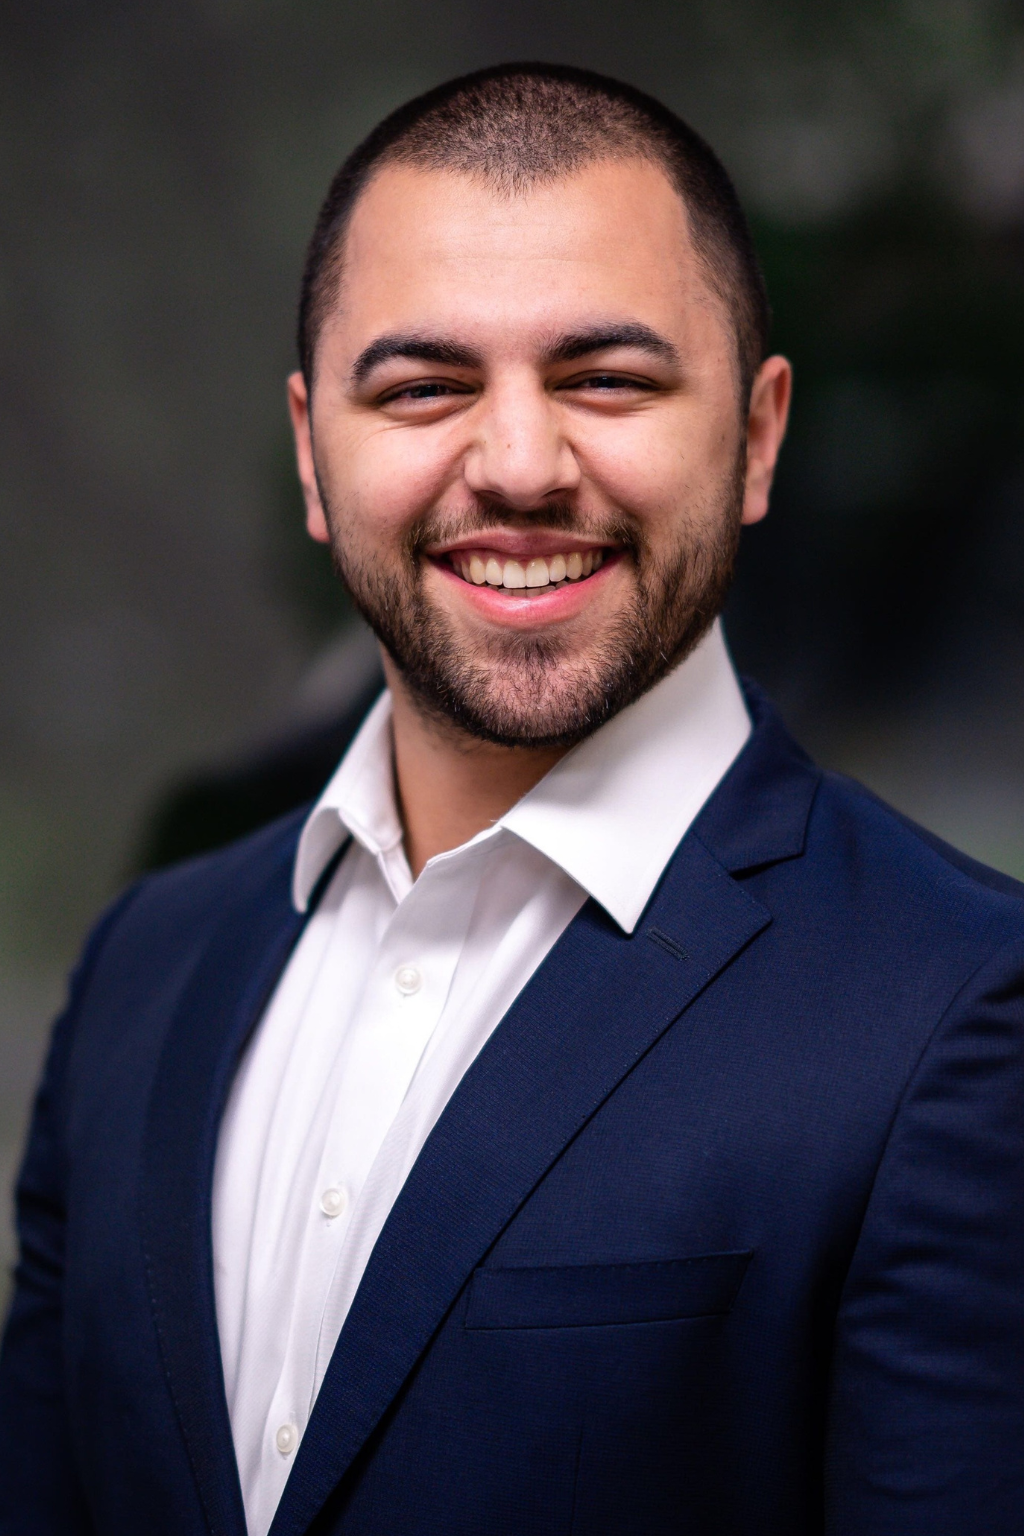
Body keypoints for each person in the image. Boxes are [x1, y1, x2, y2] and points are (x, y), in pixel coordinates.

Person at [1, 62, 1022, 1536]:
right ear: (309, 451)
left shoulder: (967, 1009)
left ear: (756, 434)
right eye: (424, 388)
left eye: (608, 379)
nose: (522, 465)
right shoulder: (142, 973)